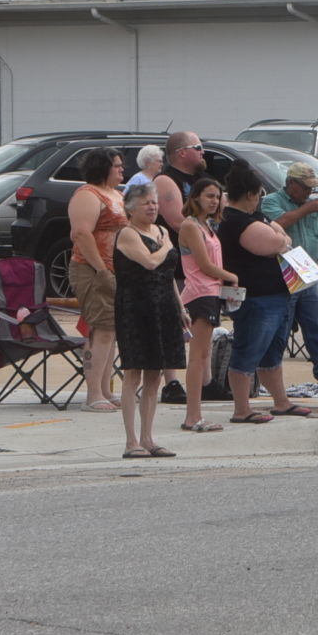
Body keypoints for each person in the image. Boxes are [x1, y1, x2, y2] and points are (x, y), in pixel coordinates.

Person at [220, 162, 307, 425]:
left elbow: (280, 235)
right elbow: (276, 242)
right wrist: (280, 239)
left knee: (272, 350)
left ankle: (281, 401)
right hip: (256, 298)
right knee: (250, 348)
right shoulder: (236, 221)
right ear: (250, 194)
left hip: (275, 295)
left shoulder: (255, 218)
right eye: (259, 194)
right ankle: (242, 408)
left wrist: (279, 237)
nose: (259, 199)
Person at [112, 182, 187, 458]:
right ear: (130, 209)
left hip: (163, 306)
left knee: (155, 374)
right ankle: (131, 440)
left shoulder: (162, 232)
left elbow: (167, 276)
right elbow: (150, 262)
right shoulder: (128, 234)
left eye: (154, 202)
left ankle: (148, 437)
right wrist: (166, 247)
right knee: (134, 372)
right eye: (145, 203)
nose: (152, 207)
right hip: (135, 307)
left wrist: (181, 307)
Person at [261, 162, 318, 385]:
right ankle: (272, 371)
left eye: (312, 188)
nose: (310, 192)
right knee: (283, 324)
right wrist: (304, 210)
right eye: (305, 187)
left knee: (316, 324)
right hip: (285, 272)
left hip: (308, 272)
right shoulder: (272, 201)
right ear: (292, 184)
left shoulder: (313, 205)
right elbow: (278, 223)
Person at [67, 147, 127, 412]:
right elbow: (81, 233)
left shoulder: (117, 194)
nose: (122, 169)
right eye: (116, 165)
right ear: (102, 168)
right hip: (91, 268)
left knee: (111, 330)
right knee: (100, 329)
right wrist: (101, 269)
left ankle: (105, 389)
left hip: (116, 270)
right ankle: (93, 394)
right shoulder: (87, 195)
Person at [178, 176, 236, 433]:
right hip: (199, 293)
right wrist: (231, 276)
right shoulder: (191, 226)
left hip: (211, 293)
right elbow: (204, 264)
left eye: (217, 196)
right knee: (198, 357)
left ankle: (196, 413)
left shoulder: (208, 225)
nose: (214, 201)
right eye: (209, 196)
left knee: (204, 355)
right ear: (196, 197)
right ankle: (192, 415)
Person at [155, 130, 207, 232]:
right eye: (198, 148)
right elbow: (178, 223)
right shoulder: (164, 181)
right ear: (182, 153)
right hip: (183, 246)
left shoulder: (204, 177)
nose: (203, 152)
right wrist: (208, 239)